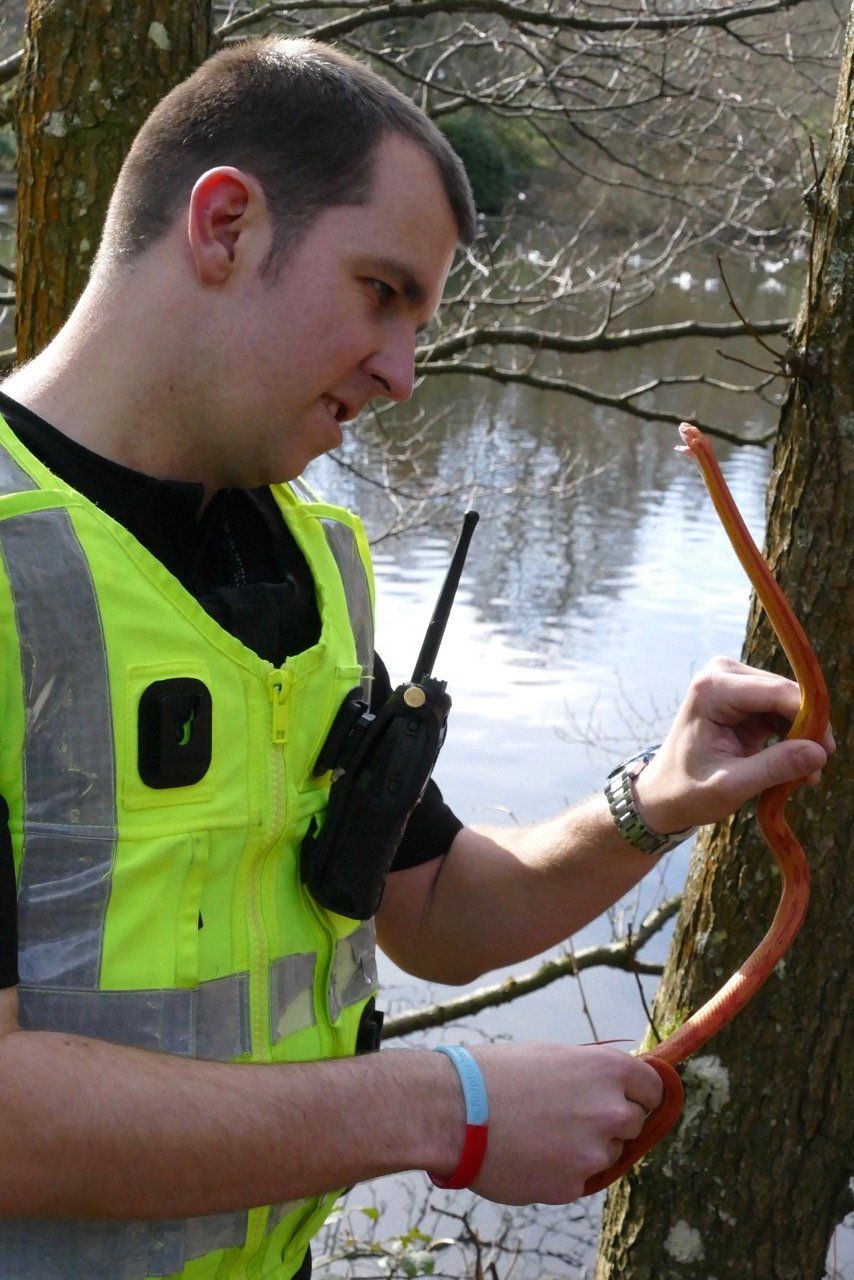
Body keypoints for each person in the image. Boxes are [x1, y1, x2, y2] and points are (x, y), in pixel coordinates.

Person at [0, 34, 833, 1280]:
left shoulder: (314, 566)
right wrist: (445, 1107)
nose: (400, 372)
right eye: (381, 292)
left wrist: (653, 802)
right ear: (223, 225)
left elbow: (430, 907)